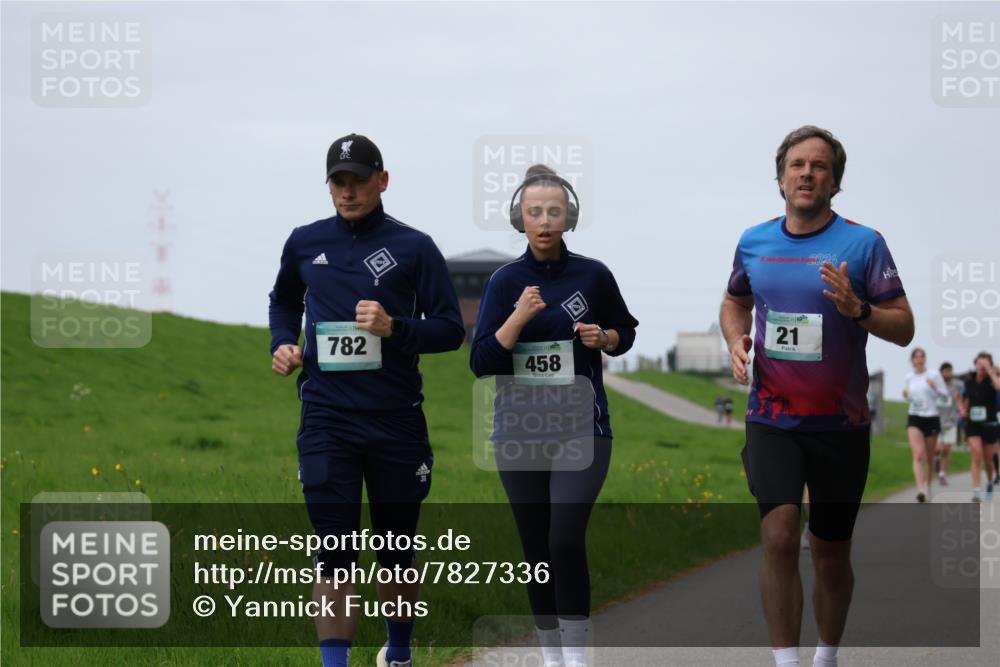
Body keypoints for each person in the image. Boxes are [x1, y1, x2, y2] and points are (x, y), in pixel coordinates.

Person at [720, 126, 913, 667]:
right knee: (780, 536)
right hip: (771, 418)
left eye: (820, 166)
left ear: (835, 181)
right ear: (780, 178)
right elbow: (733, 301)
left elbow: (904, 327)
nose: (807, 173)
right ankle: (786, 661)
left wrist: (860, 310)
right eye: (797, 165)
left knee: (830, 553)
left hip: (840, 424)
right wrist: (735, 341)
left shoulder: (864, 243)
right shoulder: (754, 242)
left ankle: (825, 656)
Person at [269, 133, 465, 667]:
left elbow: (451, 329)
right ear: (328, 184)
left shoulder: (415, 246)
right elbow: (284, 300)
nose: (348, 191)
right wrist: (283, 343)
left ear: (383, 180)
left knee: (397, 549)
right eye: (339, 181)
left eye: (359, 180)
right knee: (334, 550)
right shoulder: (304, 242)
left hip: (396, 420)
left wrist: (394, 326)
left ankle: (398, 653)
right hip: (327, 418)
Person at [470, 164, 638, 667]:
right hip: (519, 433)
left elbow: (625, 330)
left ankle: (577, 659)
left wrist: (605, 338)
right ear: (520, 219)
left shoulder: (594, 274)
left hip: (582, 428)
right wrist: (517, 318)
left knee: (564, 537)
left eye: (555, 211)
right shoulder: (504, 283)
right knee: (536, 550)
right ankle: (551, 657)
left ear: (570, 217)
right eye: (534, 211)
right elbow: (481, 363)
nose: (545, 220)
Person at [902, 348, 947, 502]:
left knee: (929, 456)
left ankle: (927, 485)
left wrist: (934, 386)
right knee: (918, 454)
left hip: (931, 417)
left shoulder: (933, 374)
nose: (919, 359)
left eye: (921, 357)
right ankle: (920, 489)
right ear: (912, 360)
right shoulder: (909, 377)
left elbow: (945, 394)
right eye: (916, 357)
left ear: (925, 359)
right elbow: (912, 398)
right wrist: (906, 396)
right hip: (914, 416)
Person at [960, 352, 1000, 502]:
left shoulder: (992, 381)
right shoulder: (969, 381)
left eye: (985, 363)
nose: (981, 366)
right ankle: (976, 491)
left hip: (989, 424)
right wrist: (962, 409)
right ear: (975, 363)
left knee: (988, 461)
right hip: (972, 424)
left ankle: (990, 481)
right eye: (979, 363)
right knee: (976, 455)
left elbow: (999, 386)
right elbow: (963, 398)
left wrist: (991, 370)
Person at [935, 362, 964, 485]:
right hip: (935, 421)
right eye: (946, 371)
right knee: (936, 449)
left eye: (950, 371)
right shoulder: (935, 384)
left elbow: (960, 399)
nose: (949, 373)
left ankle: (942, 474)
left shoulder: (957, 385)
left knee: (946, 449)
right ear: (941, 372)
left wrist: (961, 408)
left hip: (951, 421)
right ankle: (936, 459)